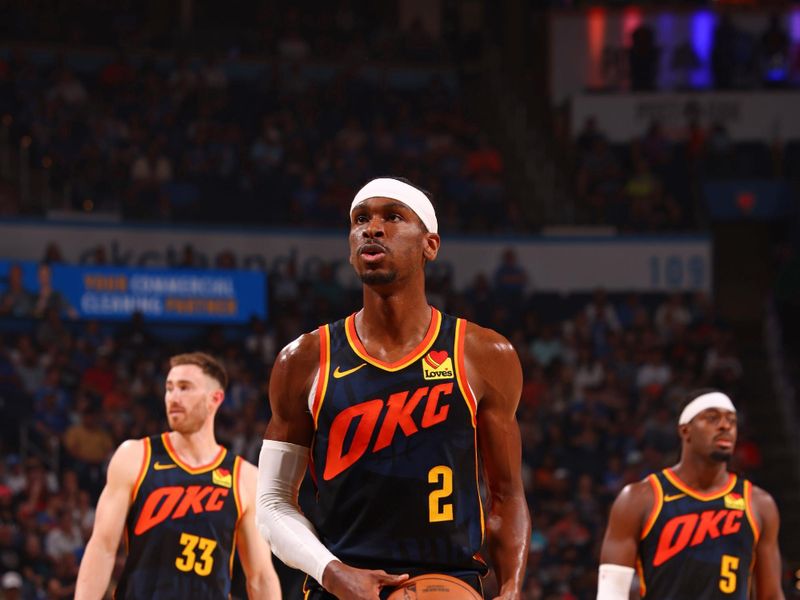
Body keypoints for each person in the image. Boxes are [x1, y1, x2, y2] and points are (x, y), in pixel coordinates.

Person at [256, 177, 530, 599]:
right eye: (361, 219)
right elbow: (273, 504)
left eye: (393, 217)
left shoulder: (483, 353)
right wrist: (332, 572)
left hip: (449, 580)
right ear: (350, 247)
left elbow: (507, 496)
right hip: (341, 585)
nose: (372, 228)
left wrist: (511, 589)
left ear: (430, 245)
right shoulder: (305, 360)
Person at [75, 352, 281, 599]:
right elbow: (102, 547)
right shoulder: (135, 456)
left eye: (185, 388)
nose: (173, 397)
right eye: (169, 388)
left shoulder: (244, 477)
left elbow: (260, 576)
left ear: (214, 399)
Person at [597, 389, 783, 599]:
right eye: (712, 418)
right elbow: (611, 594)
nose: (725, 425)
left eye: (732, 420)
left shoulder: (758, 503)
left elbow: (771, 595)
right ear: (685, 431)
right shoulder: (640, 498)